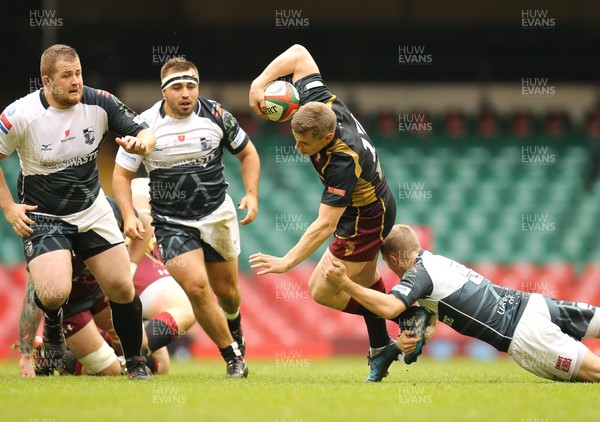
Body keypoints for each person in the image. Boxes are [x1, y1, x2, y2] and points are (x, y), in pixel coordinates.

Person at [0, 44, 155, 379]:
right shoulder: (20, 115)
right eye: (66, 76)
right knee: (54, 292)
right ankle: (52, 331)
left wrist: (144, 143)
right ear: (46, 81)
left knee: (122, 288)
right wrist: (9, 207)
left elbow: (144, 131)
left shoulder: (100, 102)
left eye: (78, 73)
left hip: (91, 208)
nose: (76, 81)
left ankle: (136, 364)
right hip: (45, 217)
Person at [248, 44, 399, 382]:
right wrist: (258, 84)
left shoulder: (342, 160)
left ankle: (404, 318)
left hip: (366, 216)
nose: (298, 149)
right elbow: (300, 53)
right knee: (365, 281)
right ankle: (382, 345)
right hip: (367, 205)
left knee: (322, 290)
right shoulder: (319, 104)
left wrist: (287, 261)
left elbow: (324, 225)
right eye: (295, 139)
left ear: (327, 136)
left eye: (305, 144)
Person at [113, 57, 259, 378]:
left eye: (191, 86)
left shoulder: (217, 115)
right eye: (177, 87)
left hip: (217, 215)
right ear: (163, 91)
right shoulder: (143, 125)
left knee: (228, 293)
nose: (185, 93)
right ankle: (233, 358)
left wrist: (250, 193)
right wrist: (127, 214)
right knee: (195, 287)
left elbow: (248, 153)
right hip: (171, 222)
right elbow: (121, 176)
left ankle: (234, 328)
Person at [324, 224, 600, 382]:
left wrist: (346, 283)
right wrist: (414, 338)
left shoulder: (418, 275)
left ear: (393, 260)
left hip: (524, 335)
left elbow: (389, 308)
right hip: (533, 304)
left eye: (388, 264)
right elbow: (433, 313)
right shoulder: (436, 261)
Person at [18, 192, 196, 377]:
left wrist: (131, 267)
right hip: (72, 308)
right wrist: (25, 356)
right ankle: (47, 356)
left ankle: (93, 353)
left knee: (158, 360)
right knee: (111, 371)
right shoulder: (50, 238)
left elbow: (144, 222)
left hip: (100, 290)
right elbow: (32, 299)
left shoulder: (105, 210)